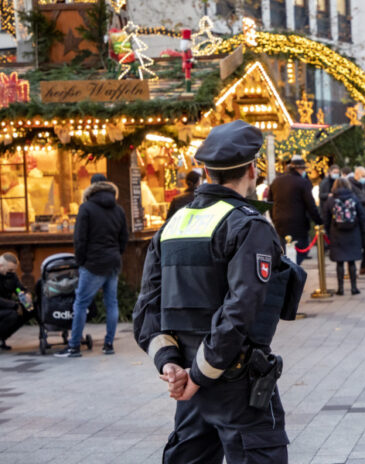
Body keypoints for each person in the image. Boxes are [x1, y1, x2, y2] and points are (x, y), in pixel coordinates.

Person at [132, 121, 291, 463]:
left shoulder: (173, 225)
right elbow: (241, 309)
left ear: (205, 171)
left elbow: (146, 311)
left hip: (190, 378)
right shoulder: (247, 224)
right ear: (252, 169)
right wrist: (200, 374)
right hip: (234, 378)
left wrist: (172, 365)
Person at [55, 174, 128, 357]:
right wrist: (116, 253)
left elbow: (80, 239)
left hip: (93, 263)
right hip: (113, 262)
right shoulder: (118, 209)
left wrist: (81, 262)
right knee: (111, 303)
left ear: (91, 188)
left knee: (80, 304)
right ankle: (109, 344)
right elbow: (124, 237)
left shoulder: (86, 208)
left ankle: (74, 346)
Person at [268, 156, 323, 266]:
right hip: (298, 224)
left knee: (284, 253)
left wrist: (274, 219)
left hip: (280, 223)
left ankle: (287, 272)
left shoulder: (276, 182)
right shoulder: (303, 183)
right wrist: (319, 222)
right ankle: (291, 273)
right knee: (300, 251)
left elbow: (270, 203)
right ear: (300, 169)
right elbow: (311, 205)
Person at [323, 177, 365, 295]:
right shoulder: (354, 198)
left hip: (336, 233)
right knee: (351, 262)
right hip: (353, 233)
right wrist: (363, 231)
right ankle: (354, 288)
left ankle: (340, 289)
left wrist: (327, 232)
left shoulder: (331, 199)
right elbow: (362, 216)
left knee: (340, 262)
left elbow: (326, 218)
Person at [0, 253, 33, 350]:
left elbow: (19, 289)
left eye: (14, 270)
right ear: (1, 266)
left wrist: (26, 294)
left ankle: (3, 337)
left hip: (7, 307)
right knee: (12, 314)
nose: (13, 272)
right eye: (10, 270)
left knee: (30, 311)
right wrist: (15, 305)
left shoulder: (11, 276)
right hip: (6, 308)